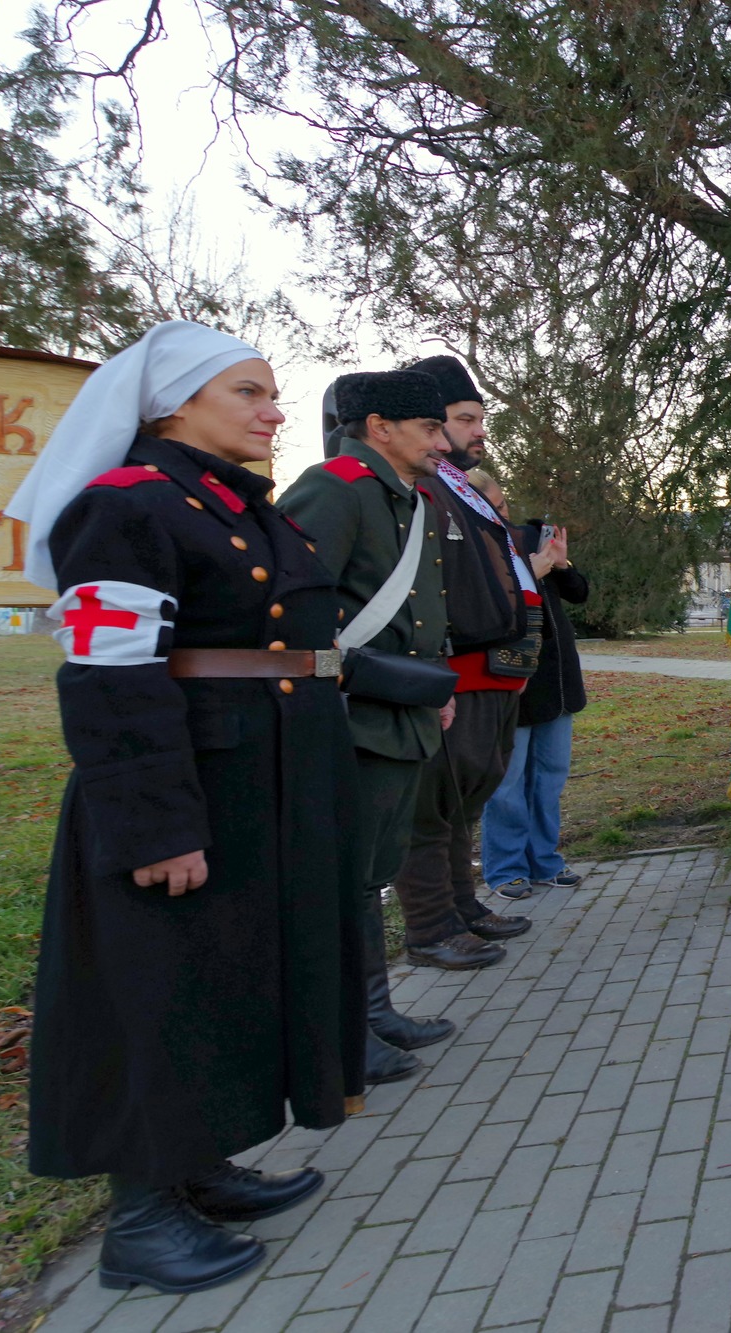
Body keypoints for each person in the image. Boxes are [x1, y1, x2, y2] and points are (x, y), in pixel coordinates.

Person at [8, 321, 363, 1294]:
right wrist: (155, 824)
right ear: (171, 403)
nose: (274, 411)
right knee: (160, 990)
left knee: (225, 981)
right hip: (183, 787)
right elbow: (110, 676)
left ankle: (199, 1159)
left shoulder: (234, 504)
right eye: (249, 391)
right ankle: (140, 1219)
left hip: (254, 783)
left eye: (272, 392)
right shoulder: (126, 506)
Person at [279, 370, 460, 1083]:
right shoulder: (336, 489)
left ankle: (374, 1011)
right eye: (430, 428)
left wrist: (428, 686)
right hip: (351, 716)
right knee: (343, 878)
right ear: (380, 427)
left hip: (398, 714)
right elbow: (291, 614)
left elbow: (419, 609)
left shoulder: (405, 497)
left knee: (370, 876)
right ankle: (342, 1029)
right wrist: (356, 680)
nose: (443, 443)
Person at [392, 354, 537, 969]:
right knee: (431, 807)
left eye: (480, 418)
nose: (479, 432)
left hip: (493, 673)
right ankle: (430, 927)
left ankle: (461, 907)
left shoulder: (459, 489)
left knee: (462, 801)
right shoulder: (420, 489)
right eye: (463, 420)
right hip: (453, 675)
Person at [471, 472, 592, 898]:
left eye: (503, 505)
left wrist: (561, 564)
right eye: (492, 509)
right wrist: (527, 572)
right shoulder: (468, 547)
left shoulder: (528, 538)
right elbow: (482, 607)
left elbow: (579, 593)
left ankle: (545, 861)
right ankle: (505, 869)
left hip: (556, 680)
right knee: (507, 784)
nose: (501, 515)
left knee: (549, 778)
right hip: (510, 680)